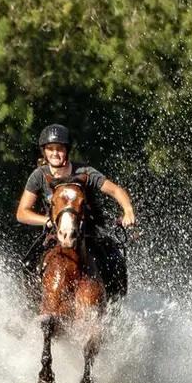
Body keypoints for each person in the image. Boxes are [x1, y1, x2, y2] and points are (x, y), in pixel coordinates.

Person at [14, 124, 136, 300]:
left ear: (67, 151)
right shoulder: (38, 175)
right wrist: (47, 221)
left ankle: (115, 307)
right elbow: (22, 212)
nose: (55, 153)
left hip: (88, 232)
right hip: (54, 231)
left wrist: (128, 209)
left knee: (115, 261)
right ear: (44, 151)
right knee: (27, 265)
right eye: (50, 149)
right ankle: (33, 305)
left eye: (60, 149)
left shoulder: (84, 172)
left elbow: (116, 190)